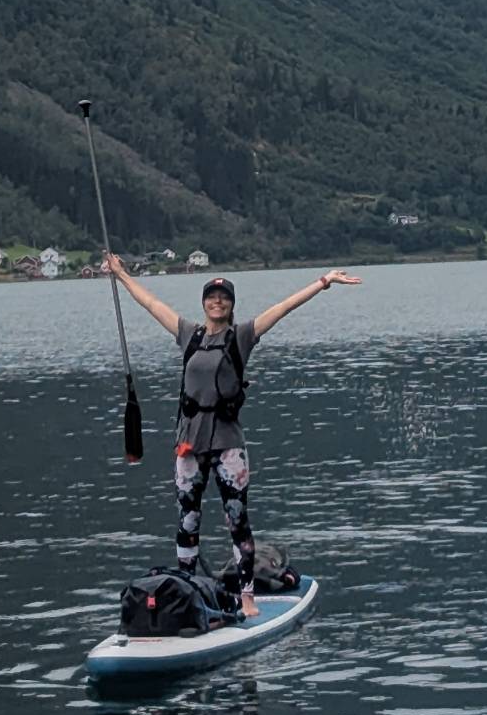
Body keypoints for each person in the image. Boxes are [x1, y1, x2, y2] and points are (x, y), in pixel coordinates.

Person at [102, 257, 361, 616]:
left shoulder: (241, 337)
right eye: (212, 296)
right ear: (204, 303)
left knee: (236, 519)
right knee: (187, 520)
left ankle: (248, 596)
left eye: (224, 297)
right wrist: (120, 274)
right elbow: (151, 303)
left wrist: (324, 282)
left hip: (228, 446)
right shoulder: (188, 334)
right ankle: (187, 589)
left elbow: (283, 308)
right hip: (189, 445)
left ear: (231, 305)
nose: (217, 301)